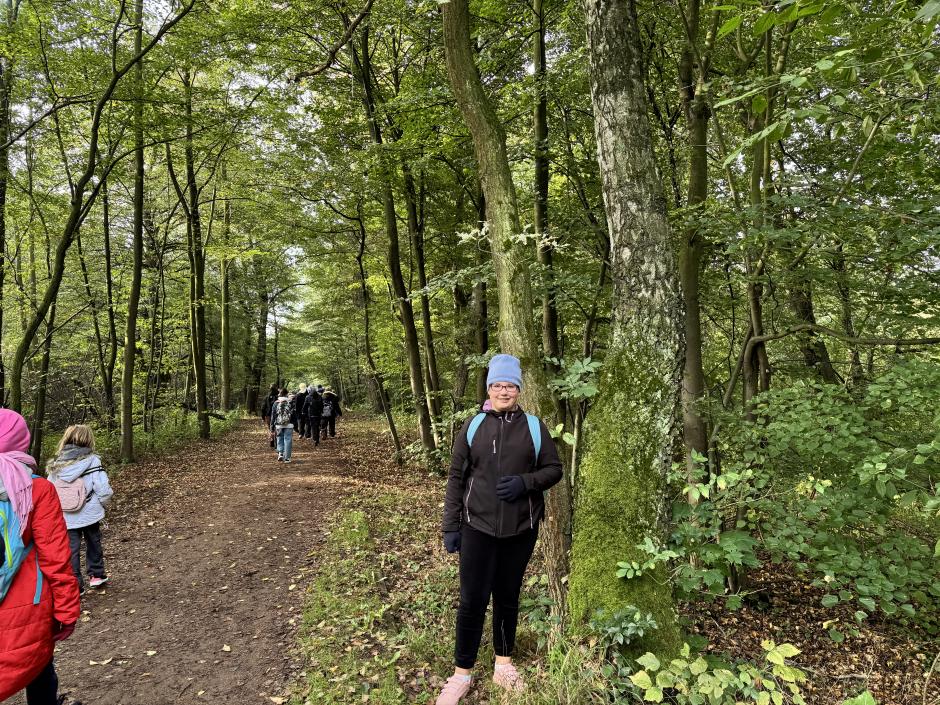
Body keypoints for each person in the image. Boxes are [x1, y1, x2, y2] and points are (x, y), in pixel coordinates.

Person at [435, 354, 562, 704]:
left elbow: (554, 469)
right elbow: (456, 477)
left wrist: (525, 482)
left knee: (507, 596)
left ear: (519, 389)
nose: (504, 391)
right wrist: (451, 526)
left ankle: (503, 666)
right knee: (472, 600)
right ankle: (461, 673)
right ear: (489, 388)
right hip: (477, 526)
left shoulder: (534, 427)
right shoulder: (473, 426)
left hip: (521, 529)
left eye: (510, 385)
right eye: (497, 385)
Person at [0, 409, 82, 704]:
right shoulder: (36, 489)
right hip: (28, 608)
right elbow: (56, 558)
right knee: (39, 667)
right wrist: (67, 611)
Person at [46, 425, 113, 595]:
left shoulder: (56, 464)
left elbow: (50, 489)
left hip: (66, 515)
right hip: (90, 511)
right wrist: (104, 504)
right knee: (93, 542)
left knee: (71, 550)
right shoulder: (93, 460)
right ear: (88, 439)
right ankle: (96, 575)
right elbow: (103, 488)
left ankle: (76, 584)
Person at [270, 388, 297, 463]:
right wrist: (295, 424)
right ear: (286, 394)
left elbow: (273, 415)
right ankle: (287, 458)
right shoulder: (290, 402)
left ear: (280, 394)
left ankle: (280, 454)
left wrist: (272, 427)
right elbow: (294, 414)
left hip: (279, 424)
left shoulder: (276, 403)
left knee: (279, 438)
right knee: (288, 440)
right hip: (289, 424)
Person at [261, 384, 278, 449]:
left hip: (268, 415)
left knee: (270, 428)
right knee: (277, 428)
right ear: (276, 388)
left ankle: (272, 441)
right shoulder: (279, 396)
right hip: (277, 415)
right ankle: (277, 442)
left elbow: (263, 407)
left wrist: (263, 417)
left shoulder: (266, 397)